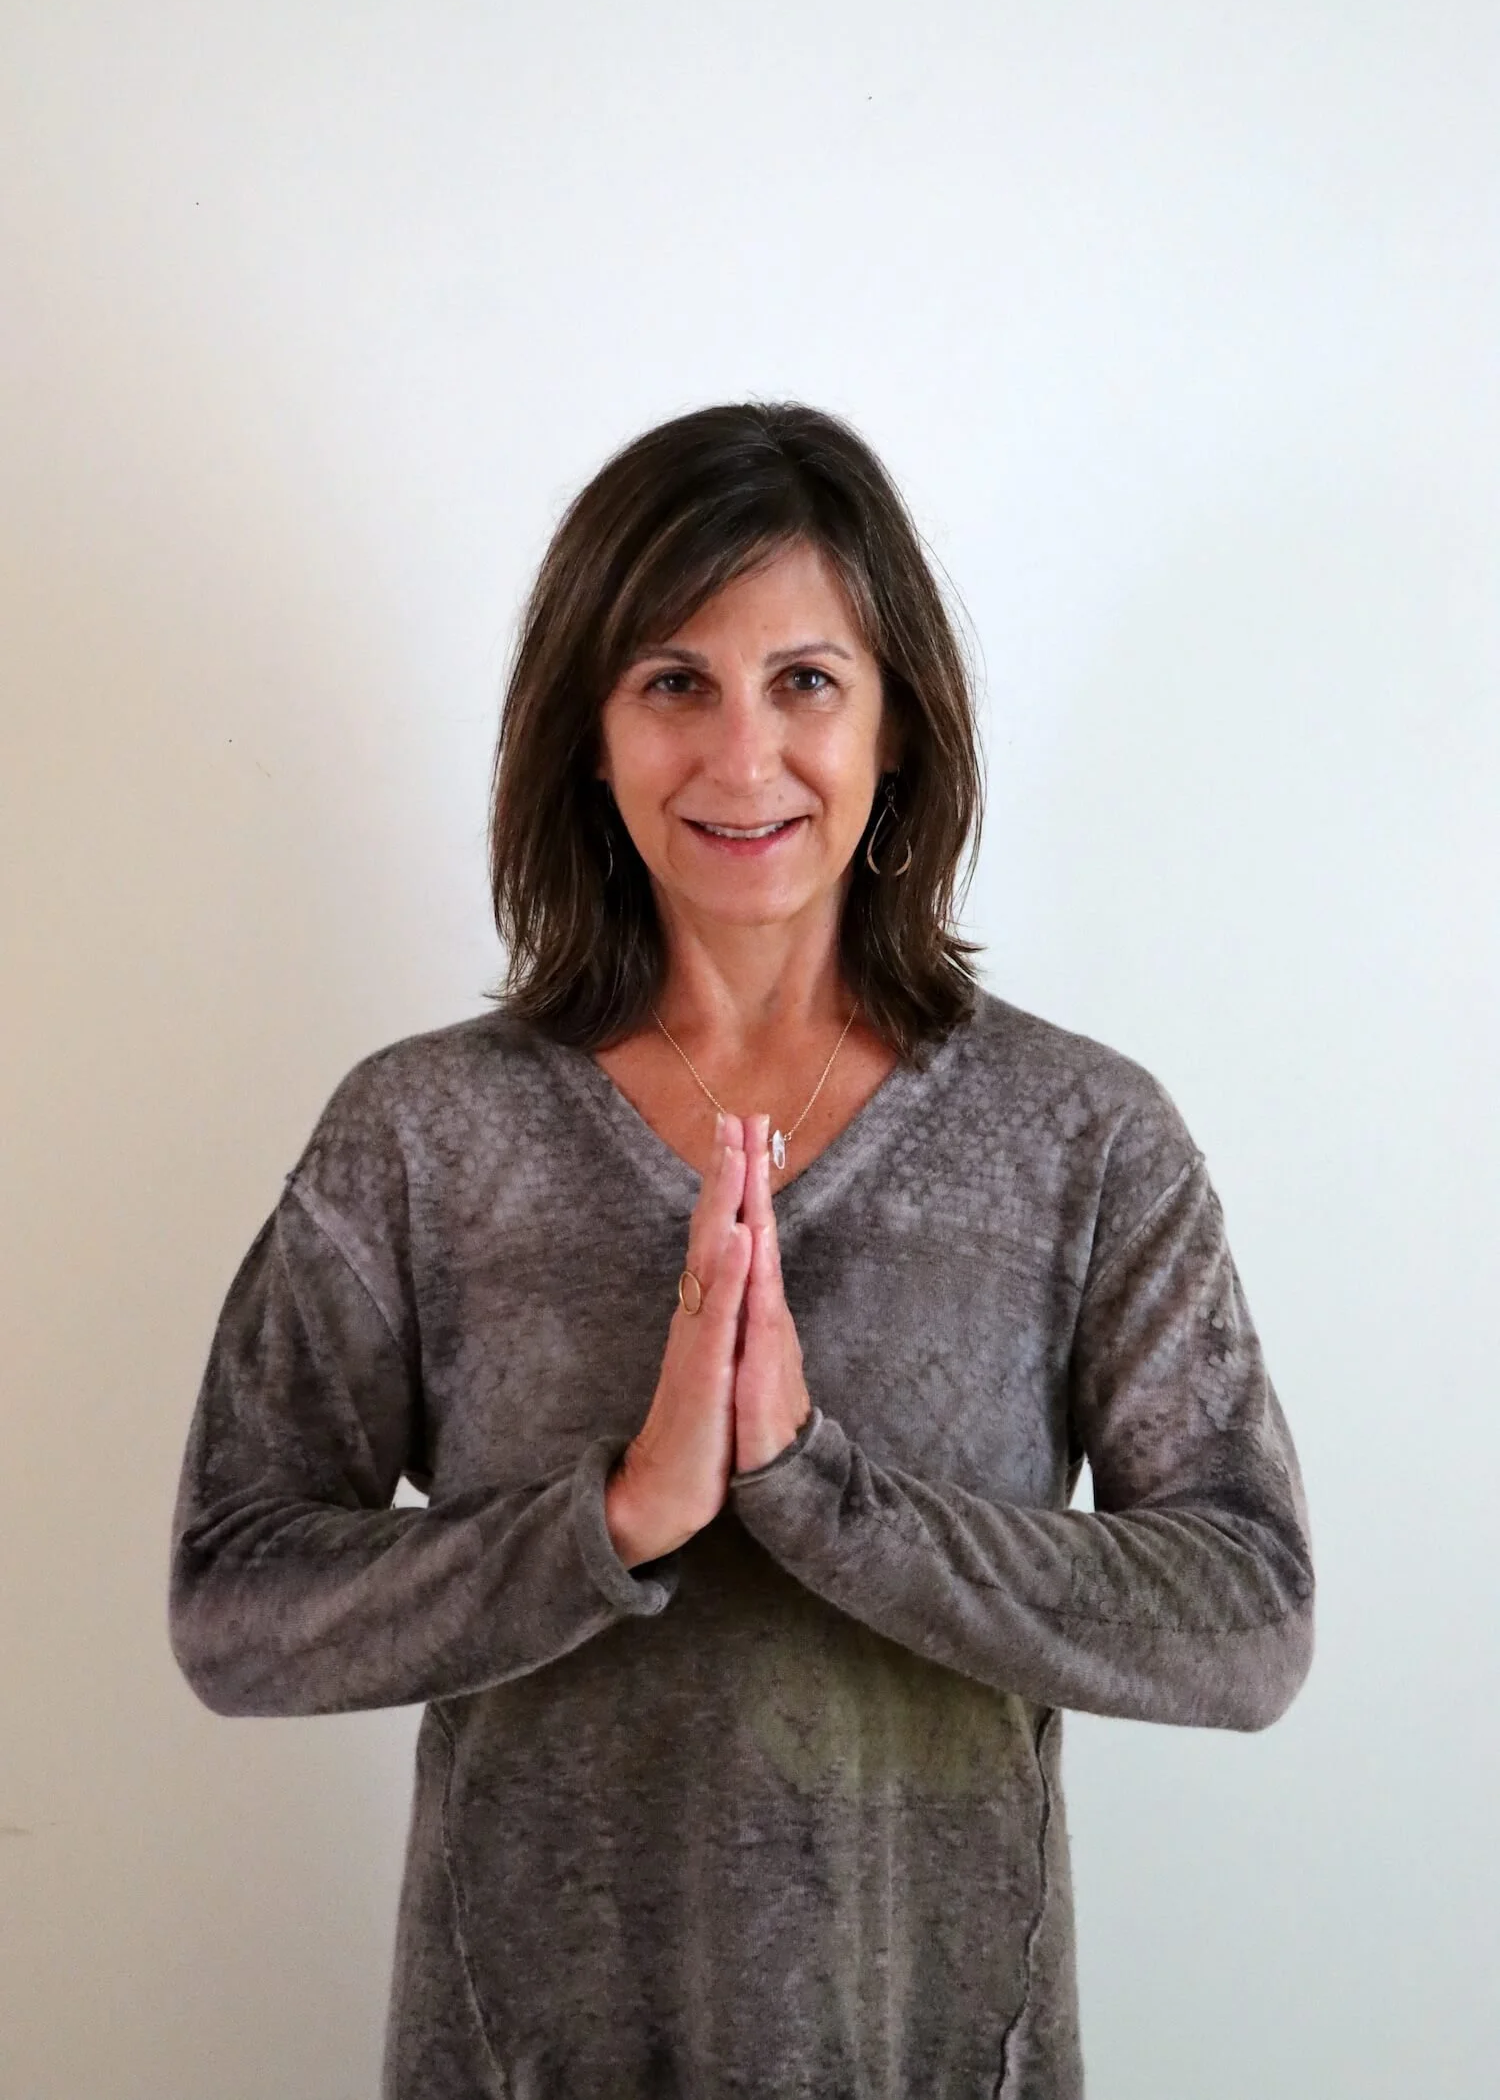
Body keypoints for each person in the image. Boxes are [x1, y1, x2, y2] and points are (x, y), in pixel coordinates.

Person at [168, 401, 1315, 2099]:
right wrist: (612, 1519)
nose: (741, 757)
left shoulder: (1082, 1136)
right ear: (590, 730)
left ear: (899, 723)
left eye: (804, 681)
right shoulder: (424, 1132)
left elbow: (1248, 1617)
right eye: (672, 681)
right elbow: (233, 1606)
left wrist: (817, 1490)